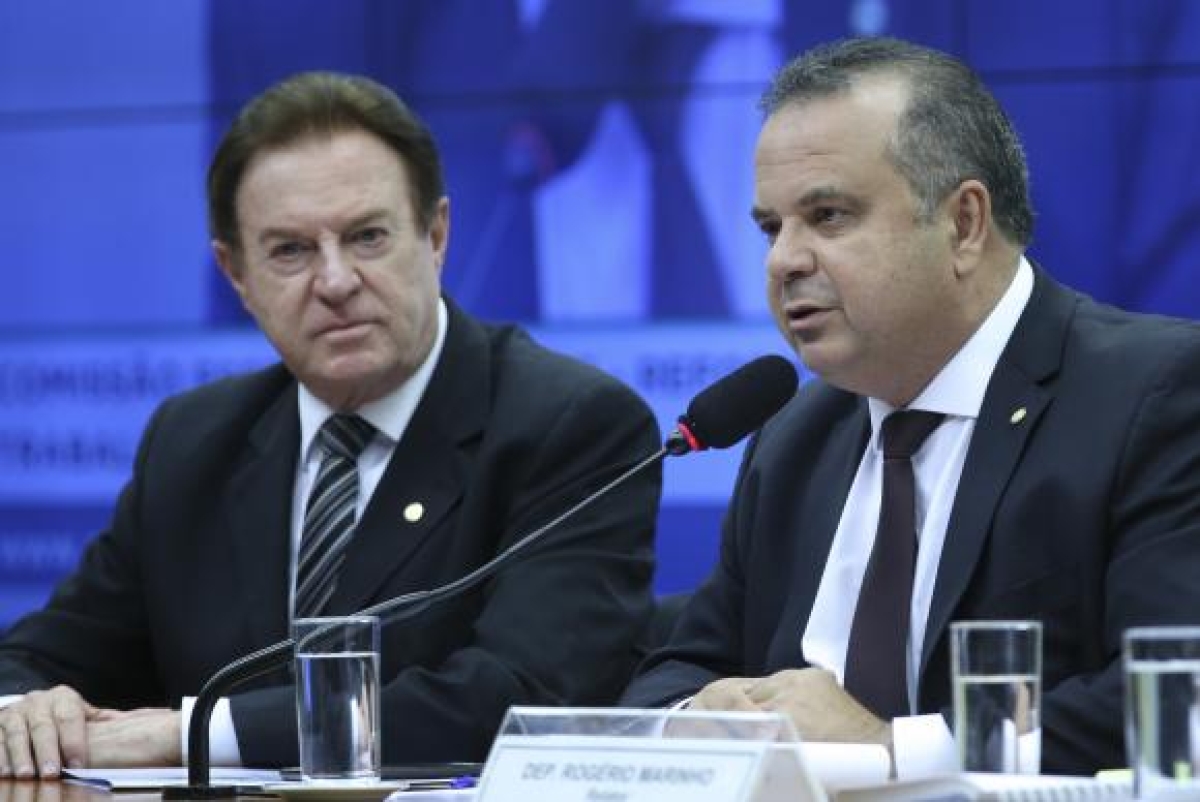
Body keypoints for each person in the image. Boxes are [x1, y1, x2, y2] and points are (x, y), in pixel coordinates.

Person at [0, 72, 662, 777]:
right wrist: (26, 713)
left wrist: (194, 732)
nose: (337, 281)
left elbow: (520, 696)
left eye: (368, 237)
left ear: (435, 236)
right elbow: (41, 657)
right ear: (236, 276)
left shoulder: (570, 425)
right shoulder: (193, 441)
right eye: (290, 251)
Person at [622, 37, 1200, 777]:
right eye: (771, 227)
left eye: (827, 216)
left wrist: (893, 752)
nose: (783, 261)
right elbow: (674, 673)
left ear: (962, 223)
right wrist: (692, 724)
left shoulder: (1153, 394)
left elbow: (1166, 694)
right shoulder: (798, 437)